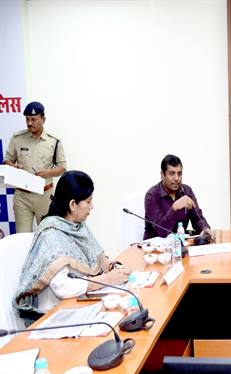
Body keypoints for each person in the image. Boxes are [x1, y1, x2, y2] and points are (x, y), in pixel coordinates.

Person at [14, 171, 131, 321]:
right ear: (73, 204)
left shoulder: (77, 226)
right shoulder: (51, 235)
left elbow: (97, 257)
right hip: (58, 315)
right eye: (88, 201)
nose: (92, 206)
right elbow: (63, 287)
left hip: (81, 303)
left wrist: (112, 267)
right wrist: (107, 279)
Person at [3, 101, 67, 233]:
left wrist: (47, 173)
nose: (29, 123)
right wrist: (13, 166)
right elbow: (7, 160)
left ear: (43, 119)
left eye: (33, 119)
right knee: (22, 236)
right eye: (27, 119)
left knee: (47, 235)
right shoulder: (17, 138)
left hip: (44, 195)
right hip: (22, 196)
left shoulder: (53, 141)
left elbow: (62, 167)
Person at [144, 154, 211, 240]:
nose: (176, 178)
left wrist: (204, 228)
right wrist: (174, 208)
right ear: (162, 174)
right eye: (172, 174)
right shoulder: (151, 195)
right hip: (155, 246)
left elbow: (197, 218)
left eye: (179, 174)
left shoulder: (186, 191)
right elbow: (161, 232)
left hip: (180, 243)